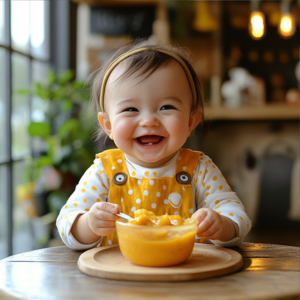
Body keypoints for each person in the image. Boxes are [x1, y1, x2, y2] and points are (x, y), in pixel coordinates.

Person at [56, 40, 251, 250]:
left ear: (191, 121)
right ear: (108, 125)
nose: (149, 121)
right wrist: (89, 224)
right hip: (119, 277)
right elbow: (67, 222)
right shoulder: (105, 171)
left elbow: (237, 214)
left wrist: (221, 225)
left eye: (166, 107)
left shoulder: (198, 169)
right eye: (131, 109)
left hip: (188, 276)